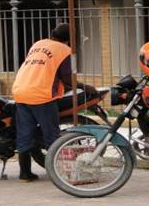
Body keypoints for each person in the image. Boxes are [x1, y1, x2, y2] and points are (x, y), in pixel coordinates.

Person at [11, 23, 97, 183]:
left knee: (24, 134)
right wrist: (86, 87)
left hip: (20, 92)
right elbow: (66, 79)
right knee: (52, 135)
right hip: (42, 95)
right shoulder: (64, 51)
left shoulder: (38, 44)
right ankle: (58, 173)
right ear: (70, 39)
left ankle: (24, 174)